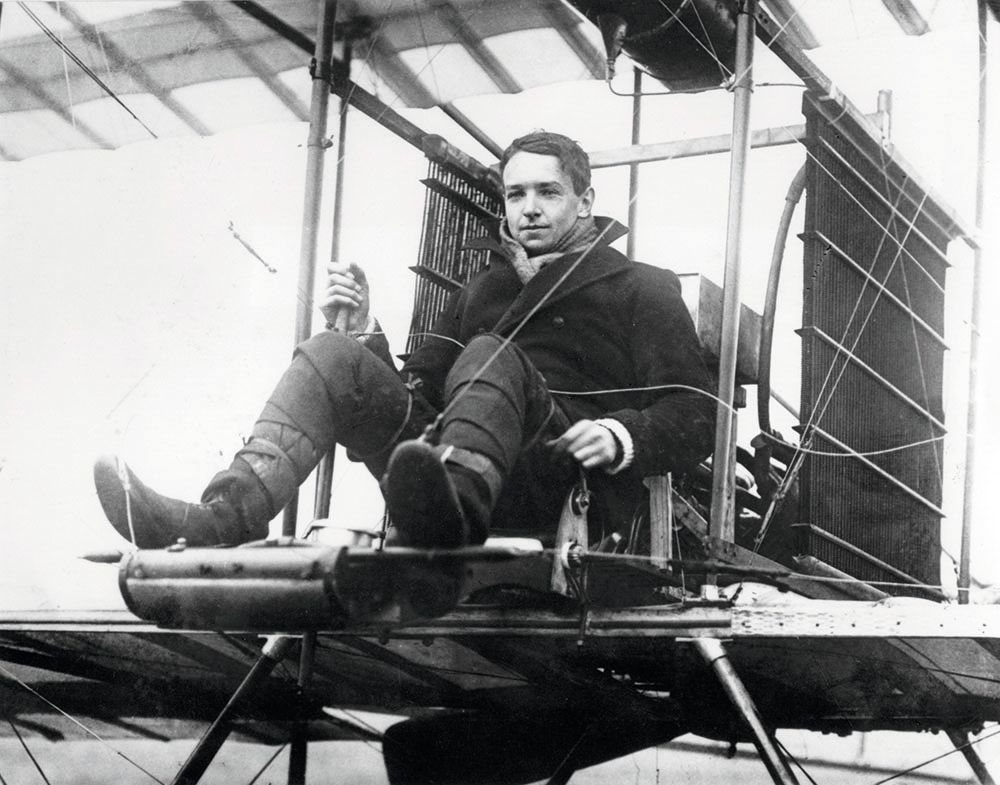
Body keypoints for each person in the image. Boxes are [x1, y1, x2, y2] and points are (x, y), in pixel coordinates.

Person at [94, 131, 716, 550]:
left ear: (586, 201)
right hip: (439, 477)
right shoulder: (483, 289)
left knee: (488, 355)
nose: (528, 208)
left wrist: (619, 435)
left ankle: (456, 510)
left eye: (548, 192)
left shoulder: (640, 285)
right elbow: (414, 389)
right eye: (516, 193)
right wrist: (364, 332)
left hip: (560, 480)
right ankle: (216, 520)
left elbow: (696, 415)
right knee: (332, 352)